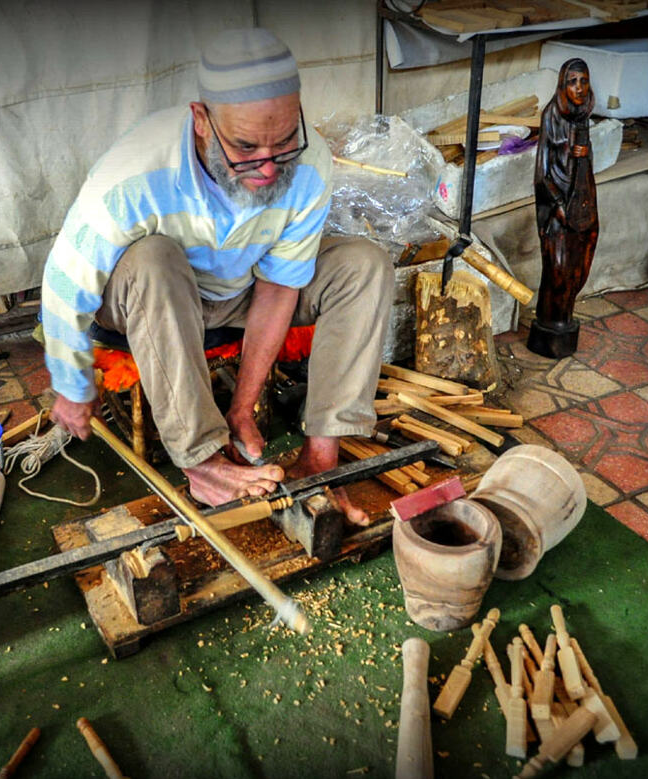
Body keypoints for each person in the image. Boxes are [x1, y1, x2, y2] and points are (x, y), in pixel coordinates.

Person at [40, 28, 391, 523]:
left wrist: (242, 407)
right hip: (142, 299)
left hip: (239, 290)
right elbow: (64, 283)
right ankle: (202, 462)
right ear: (201, 121)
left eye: (285, 141)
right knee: (154, 258)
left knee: (362, 265)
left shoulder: (309, 164)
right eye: (246, 148)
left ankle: (321, 459)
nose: (269, 169)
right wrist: (71, 385)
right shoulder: (137, 172)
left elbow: (279, 284)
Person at [529, 58, 598, 358]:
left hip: (582, 202)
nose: (579, 88)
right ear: (563, 85)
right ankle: (549, 324)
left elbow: (584, 163)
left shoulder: (583, 115)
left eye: (583, 81)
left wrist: (583, 153)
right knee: (557, 270)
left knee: (578, 270)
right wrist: (557, 205)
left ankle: (564, 320)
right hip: (556, 205)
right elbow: (542, 172)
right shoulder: (551, 115)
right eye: (573, 82)